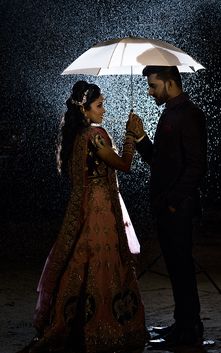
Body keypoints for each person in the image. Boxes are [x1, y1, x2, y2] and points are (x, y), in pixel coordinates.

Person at [17, 80, 148, 353]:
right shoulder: (95, 136)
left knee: (82, 260)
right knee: (104, 262)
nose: (103, 110)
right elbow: (123, 165)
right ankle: (103, 326)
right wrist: (131, 135)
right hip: (100, 209)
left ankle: (77, 321)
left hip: (87, 205)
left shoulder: (78, 136)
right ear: (85, 111)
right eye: (99, 106)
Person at [126, 66, 208, 349]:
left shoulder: (189, 115)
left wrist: (172, 203)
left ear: (170, 82)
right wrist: (139, 138)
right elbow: (161, 162)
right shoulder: (171, 113)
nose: (149, 92)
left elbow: (197, 166)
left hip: (178, 208)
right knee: (176, 268)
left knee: (182, 268)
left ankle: (190, 330)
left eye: (153, 86)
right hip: (167, 207)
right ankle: (182, 325)